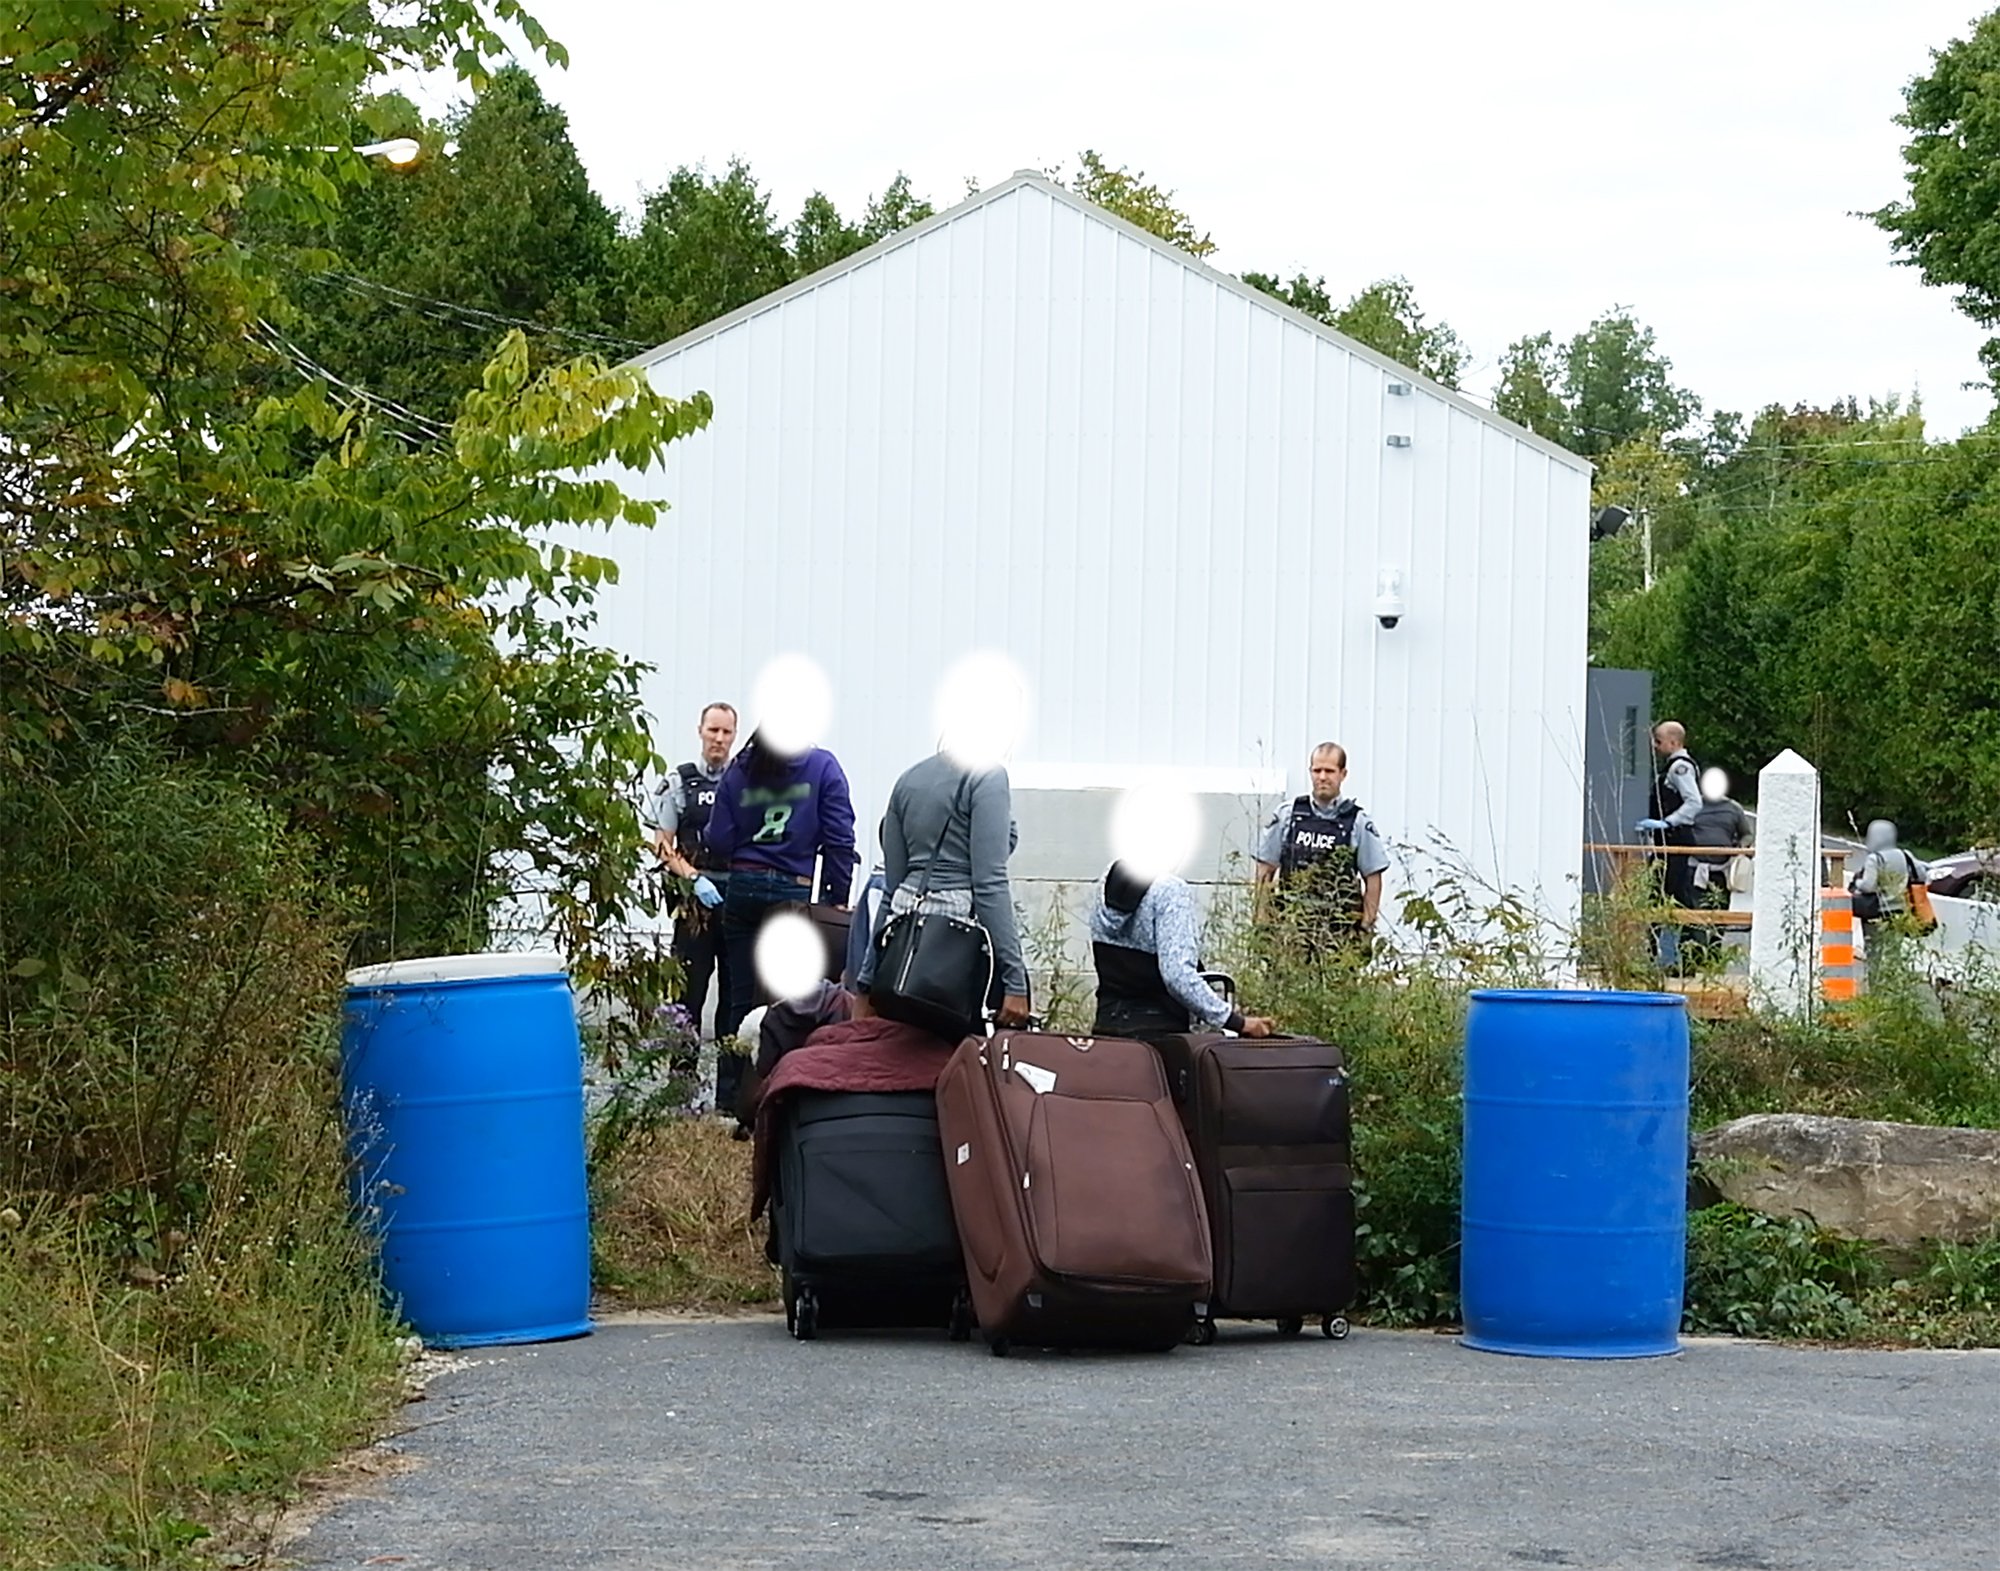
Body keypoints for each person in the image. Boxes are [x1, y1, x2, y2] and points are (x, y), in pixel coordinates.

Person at [704, 729, 857, 1119]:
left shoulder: (741, 769)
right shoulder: (822, 767)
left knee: (738, 995)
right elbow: (840, 837)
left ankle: (729, 1101)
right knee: (787, 999)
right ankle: (775, 1099)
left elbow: (718, 840)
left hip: (743, 885)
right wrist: (836, 894)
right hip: (793, 891)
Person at [856, 751, 1032, 1028]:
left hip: (903, 938)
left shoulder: (908, 779)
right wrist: (1015, 982)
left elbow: (891, 890)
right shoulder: (987, 775)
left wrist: (865, 982)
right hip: (956, 939)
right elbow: (989, 884)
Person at [648, 702, 738, 1086]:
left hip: (736, 902)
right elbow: (662, 845)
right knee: (688, 997)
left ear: (734, 736)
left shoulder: (746, 785)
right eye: (713, 730)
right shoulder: (679, 782)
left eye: (726, 732)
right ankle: (680, 1089)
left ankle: (731, 1096)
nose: (718, 739)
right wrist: (694, 877)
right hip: (693, 903)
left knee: (735, 1001)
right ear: (700, 731)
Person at [1092, 861, 1273, 1041]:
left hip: (1106, 1030)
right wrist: (1236, 1022)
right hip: (1157, 1037)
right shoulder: (1170, 890)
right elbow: (1177, 976)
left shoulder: (1107, 880)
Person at [1252, 743, 1391, 950]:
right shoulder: (1288, 815)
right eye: (1317, 770)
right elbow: (1265, 871)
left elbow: (1373, 881)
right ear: (1310, 772)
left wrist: (1364, 929)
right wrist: (1263, 924)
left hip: (1339, 937)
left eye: (1329, 771)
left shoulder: (1357, 822)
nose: (1322, 777)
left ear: (1343, 774)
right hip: (1291, 932)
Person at [1635, 720, 1702, 966]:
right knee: (1670, 897)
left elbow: (1694, 802)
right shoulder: (1672, 768)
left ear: (1673, 742)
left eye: (1659, 741)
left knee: (1663, 897)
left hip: (1674, 841)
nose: (1655, 746)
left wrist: (1669, 822)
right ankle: (1678, 957)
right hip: (1668, 841)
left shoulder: (1679, 768)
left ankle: (1666, 957)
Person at [1685, 766, 1751, 961]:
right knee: (1695, 916)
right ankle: (1695, 960)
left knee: (1719, 916)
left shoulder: (1734, 809)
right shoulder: (1693, 806)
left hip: (1721, 871)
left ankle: (1713, 958)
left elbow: (1747, 834)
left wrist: (1741, 847)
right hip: (1695, 868)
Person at [1850, 819, 1930, 942]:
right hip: (1901, 910)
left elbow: (1868, 886)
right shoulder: (1905, 854)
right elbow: (1922, 875)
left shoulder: (1875, 859)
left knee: (1874, 946)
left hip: (1879, 911)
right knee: (1894, 946)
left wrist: (1857, 883)